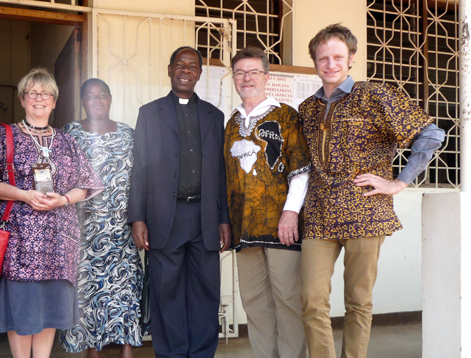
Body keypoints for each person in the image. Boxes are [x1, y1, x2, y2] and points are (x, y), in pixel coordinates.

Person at [299, 24, 445, 358]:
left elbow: (432, 134)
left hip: (365, 211)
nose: (330, 63)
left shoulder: (375, 94)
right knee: (311, 299)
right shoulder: (307, 109)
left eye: (338, 56)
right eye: (323, 57)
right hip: (319, 214)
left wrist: (399, 182)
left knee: (358, 301)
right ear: (315, 61)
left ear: (351, 58)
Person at [0, 68, 102, 358]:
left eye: (45, 93)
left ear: (54, 101)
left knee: (51, 309)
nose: (39, 98)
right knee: (22, 310)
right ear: (23, 100)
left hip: (59, 242)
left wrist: (61, 200)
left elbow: (87, 186)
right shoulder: (2, 135)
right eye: (32, 93)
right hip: (19, 241)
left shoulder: (66, 141)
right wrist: (24, 194)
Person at [127, 46, 231, 358]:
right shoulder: (149, 113)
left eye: (193, 66)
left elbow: (221, 172)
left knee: (205, 292)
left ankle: (201, 353)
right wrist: (138, 218)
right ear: (169, 69)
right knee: (166, 292)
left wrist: (224, 218)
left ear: (200, 73)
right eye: (180, 65)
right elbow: (140, 168)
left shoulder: (215, 116)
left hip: (204, 218)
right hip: (164, 218)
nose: (186, 70)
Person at [224, 47, 309, 358]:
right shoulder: (231, 122)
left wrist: (290, 213)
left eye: (253, 72)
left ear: (266, 77)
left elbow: (300, 170)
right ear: (234, 78)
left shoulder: (286, 115)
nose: (246, 78)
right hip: (244, 228)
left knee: (287, 298)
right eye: (240, 72)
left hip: (280, 226)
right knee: (255, 302)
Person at [60, 78, 145, 358]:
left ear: (111, 98)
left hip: (122, 227)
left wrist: (139, 218)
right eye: (90, 96)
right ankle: (92, 351)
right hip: (82, 228)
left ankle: (127, 350)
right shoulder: (69, 133)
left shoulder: (128, 133)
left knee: (126, 288)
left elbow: (141, 177)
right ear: (82, 100)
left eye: (102, 95)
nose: (96, 100)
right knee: (86, 291)